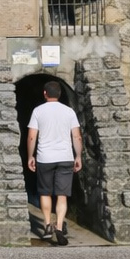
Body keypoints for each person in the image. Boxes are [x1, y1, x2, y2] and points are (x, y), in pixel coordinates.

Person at [26, 79, 82, 245]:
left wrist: (30, 156)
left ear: (45, 94)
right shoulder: (69, 112)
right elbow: (77, 136)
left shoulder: (38, 111)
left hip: (45, 158)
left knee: (45, 193)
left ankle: (47, 225)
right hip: (65, 157)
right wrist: (78, 156)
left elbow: (31, 136)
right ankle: (59, 226)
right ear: (60, 94)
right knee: (62, 195)